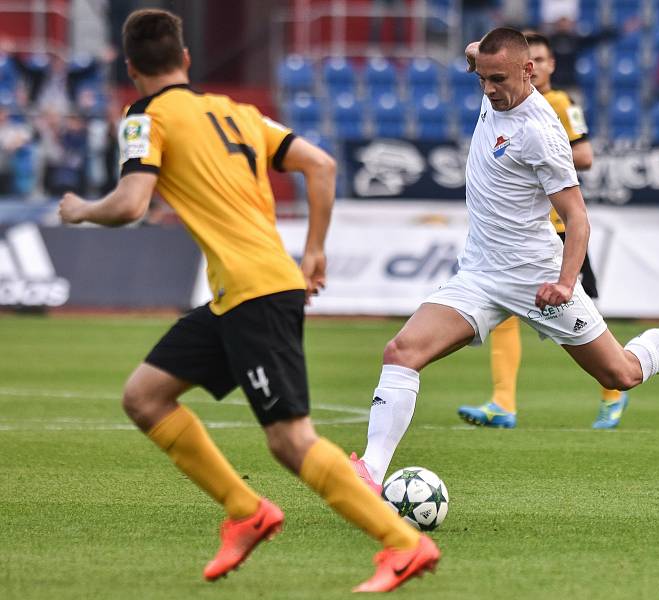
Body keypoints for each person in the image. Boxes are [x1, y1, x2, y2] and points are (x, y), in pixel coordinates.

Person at [58, 9, 438, 593]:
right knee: (145, 397)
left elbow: (133, 204)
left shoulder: (145, 117)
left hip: (255, 293)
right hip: (242, 291)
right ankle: (246, 510)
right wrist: (314, 251)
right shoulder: (236, 112)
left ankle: (403, 543)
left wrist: (81, 210)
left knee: (291, 440)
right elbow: (322, 164)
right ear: (185, 60)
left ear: (132, 69)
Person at [350, 27, 659, 493]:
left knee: (620, 373)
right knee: (401, 352)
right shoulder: (492, 75)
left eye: (497, 79)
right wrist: (477, 58)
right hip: (481, 275)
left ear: (529, 72)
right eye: (482, 78)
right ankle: (370, 472)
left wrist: (565, 284)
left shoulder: (541, 133)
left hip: (538, 277)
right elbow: (477, 51)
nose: (488, 89)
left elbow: (578, 218)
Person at [456, 31, 627, 430]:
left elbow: (584, 155)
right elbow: (475, 56)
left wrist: (543, 153)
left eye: (548, 60)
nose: (544, 65)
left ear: (544, 66)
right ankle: (503, 402)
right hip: (513, 241)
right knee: (503, 316)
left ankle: (614, 393)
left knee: (584, 316)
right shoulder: (499, 92)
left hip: (557, 232)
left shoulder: (558, 107)